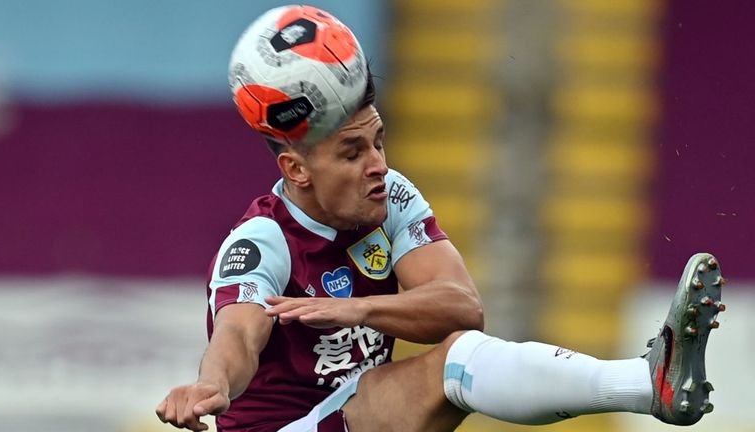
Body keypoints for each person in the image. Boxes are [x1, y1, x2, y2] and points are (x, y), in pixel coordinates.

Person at [156, 7, 725, 432]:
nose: (378, 165)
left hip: (353, 413)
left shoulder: (392, 196)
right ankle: (643, 382)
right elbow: (238, 335)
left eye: (379, 141)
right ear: (296, 170)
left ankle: (650, 381)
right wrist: (209, 387)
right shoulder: (263, 240)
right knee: (451, 367)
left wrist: (357, 309)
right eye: (353, 153)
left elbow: (460, 306)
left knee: (458, 356)